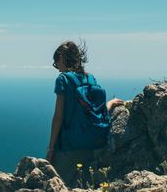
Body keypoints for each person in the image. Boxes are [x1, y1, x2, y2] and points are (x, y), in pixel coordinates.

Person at [46, 40, 124, 187]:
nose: (58, 69)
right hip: (93, 144)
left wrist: (51, 148)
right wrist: (110, 104)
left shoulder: (63, 79)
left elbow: (58, 117)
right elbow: (95, 113)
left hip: (69, 146)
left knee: (56, 184)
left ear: (62, 58)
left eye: (56, 63)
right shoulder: (91, 79)